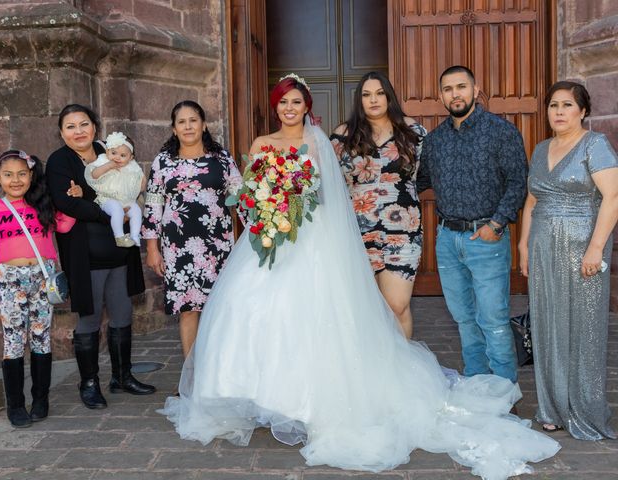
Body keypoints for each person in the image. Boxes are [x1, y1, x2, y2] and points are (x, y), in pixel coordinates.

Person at [159, 74, 560, 478]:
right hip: (275, 236)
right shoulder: (274, 143)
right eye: (283, 102)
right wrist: (269, 213)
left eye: (296, 102)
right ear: (277, 107)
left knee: (376, 310)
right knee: (260, 311)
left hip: (324, 238)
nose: (289, 108)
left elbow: (335, 192)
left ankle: (351, 388)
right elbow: (249, 195)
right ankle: (266, 397)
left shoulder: (330, 142)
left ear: (306, 106)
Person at [518, 81, 618, 439]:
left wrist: (595, 248)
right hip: (543, 248)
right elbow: (531, 201)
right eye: (553, 105)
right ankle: (552, 408)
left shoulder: (595, 145)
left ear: (583, 111)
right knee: (547, 325)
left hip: (582, 250)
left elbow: (613, 197)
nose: (558, 112)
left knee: (583, 328)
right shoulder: (541, 148)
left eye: (567, 105)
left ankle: (584, 409)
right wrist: (524, 245)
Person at [417, 65, 526, 385]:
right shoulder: (435, 141)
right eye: (448, 89)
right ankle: (478, 382)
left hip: (487, 237)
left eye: (461, 87)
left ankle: (505, 391)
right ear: (440, 96)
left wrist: (497, 223)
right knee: (464, 318)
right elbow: (421, 181)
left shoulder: (501, 131)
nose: (455, 94)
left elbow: (518, 181)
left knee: (492, 319)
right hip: (448, 239)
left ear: (475, 89)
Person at [46, 104, 155, 410]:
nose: (78, 131)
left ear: (95, 127)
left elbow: (130, 185)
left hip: (119, 251)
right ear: (61, 132)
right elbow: (66, 203)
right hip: (85, 253)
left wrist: (92, 196)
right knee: (90, 316)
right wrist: (104, 210)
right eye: (70, 126)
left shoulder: (109, 150)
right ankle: (89, 382)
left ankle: (122, 376)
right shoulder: (59, 161)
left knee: (122, 313)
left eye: (84, 124)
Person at [0, 150, 76, 427]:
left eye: (22, 173)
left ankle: (41, 399)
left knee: (41, 338)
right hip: (10, 281)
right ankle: (16, 405)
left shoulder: (41, 206)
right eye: (8, 175)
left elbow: (66, 224)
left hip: (41, 278)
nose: (16, 180)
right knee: (13, 342)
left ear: (31, 176)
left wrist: (71, 198)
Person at [142, 100, 242, 359]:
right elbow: (153, 205)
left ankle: (218, 373)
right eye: (181, 122)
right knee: (188, 309)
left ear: (204, 125)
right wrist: (152, 248)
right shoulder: (163, 162)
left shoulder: (221, 158)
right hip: (178, 248)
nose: (188, 126)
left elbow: (241, 197)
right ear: (174, 129)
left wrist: (265, 221)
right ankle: (191, 376)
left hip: (217, 246)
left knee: (218, 308)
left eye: (193, 120)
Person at [331, 71, 426, 338]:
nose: (373, 100)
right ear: (359, 100)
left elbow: (426, 174)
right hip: (358, 232)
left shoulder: (413, 131)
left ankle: (402, 369)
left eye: (379, 93)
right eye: (366, 94)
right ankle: (375, 371)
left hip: (403, 230)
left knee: (397, 304)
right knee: (366, 309)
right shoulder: (343, 135)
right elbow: (329, 181)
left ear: (389, 96)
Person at [84, 131, 145, 248]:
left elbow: (141, 180)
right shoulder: (103, 160)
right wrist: (108, 166)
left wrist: (142, 183)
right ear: (107, 151)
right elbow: (94, 175)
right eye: (113, 153)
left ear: (130, 157)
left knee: (136, 211)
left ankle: (135, 235)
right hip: (107, 198)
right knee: (117, 210)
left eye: (123, 156)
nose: (117, 157)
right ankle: (119, 236)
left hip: (126, 199)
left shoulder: (132, 166)